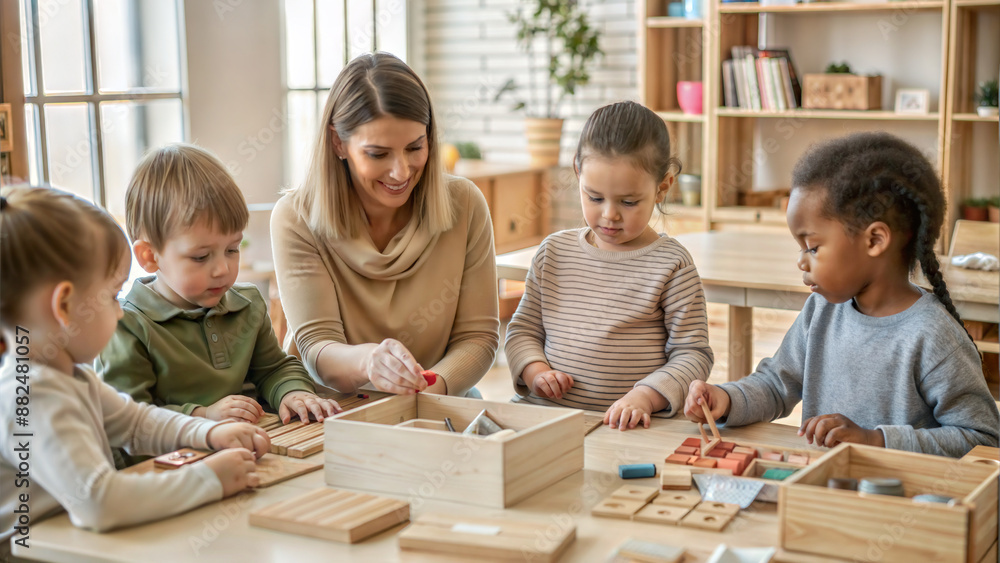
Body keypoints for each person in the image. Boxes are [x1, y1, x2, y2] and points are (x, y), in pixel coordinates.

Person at [684, 131, 999, 457]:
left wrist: (876, 441)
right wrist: (726, 399)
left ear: (875, 240)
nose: (800, 260)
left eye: (813, 247)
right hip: (825, 491)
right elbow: (777, 385)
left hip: (898, 502)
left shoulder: (933, 335)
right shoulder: (821, 310)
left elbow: (983, 440)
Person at [0, 186, 268, 556]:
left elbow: (138, 423)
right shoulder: (30, 393)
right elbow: (99, 502)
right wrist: (209, 479)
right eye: (112, 297)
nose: (121, 311)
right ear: (63, 305)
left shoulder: (70, 376)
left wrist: (211, 433)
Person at [271, 52, 499, 397]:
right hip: (332, 409)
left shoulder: (465, 205)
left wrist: (427, 391)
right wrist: (368, 363)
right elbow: (317, 347)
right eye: (378, 154)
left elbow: (478, 337)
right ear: (338, 143)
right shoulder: (296, 218)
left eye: (414, 148)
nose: (401, 171)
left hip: (438, 399)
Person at [505, 101, 714, 430]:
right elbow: (522, 332)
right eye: (595, 197)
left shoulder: (672, 265)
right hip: (545, 416)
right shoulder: (553, 252)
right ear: (578, 172)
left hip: (630, 428)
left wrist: (645, 396)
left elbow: (693, 355)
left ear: (663, 187)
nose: (610, 215)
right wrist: (536, 372)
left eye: (629, 202)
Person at [98, 144, 341, 426]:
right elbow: (125, 421)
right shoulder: (126, 325)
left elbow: (273, 369)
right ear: (150, 256)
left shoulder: (248, 305)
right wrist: (202, 416)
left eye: (232, 249)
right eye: (201, 257)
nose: (223, 269)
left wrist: (293, 392)